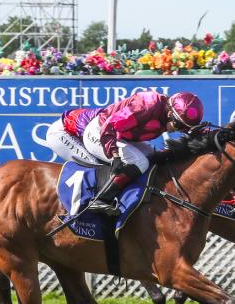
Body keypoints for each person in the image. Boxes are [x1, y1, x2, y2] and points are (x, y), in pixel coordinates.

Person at [44, 90, 204, 216]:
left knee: (152, 156)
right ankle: (99, 200)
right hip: (76, 132)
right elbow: (110, 127)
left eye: (183, 127)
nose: (178, 130)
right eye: (177, 124)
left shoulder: (168, 112)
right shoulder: (148, 106)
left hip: (106, 129)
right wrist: (115, 156)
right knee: (136, 162)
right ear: (170, 113)